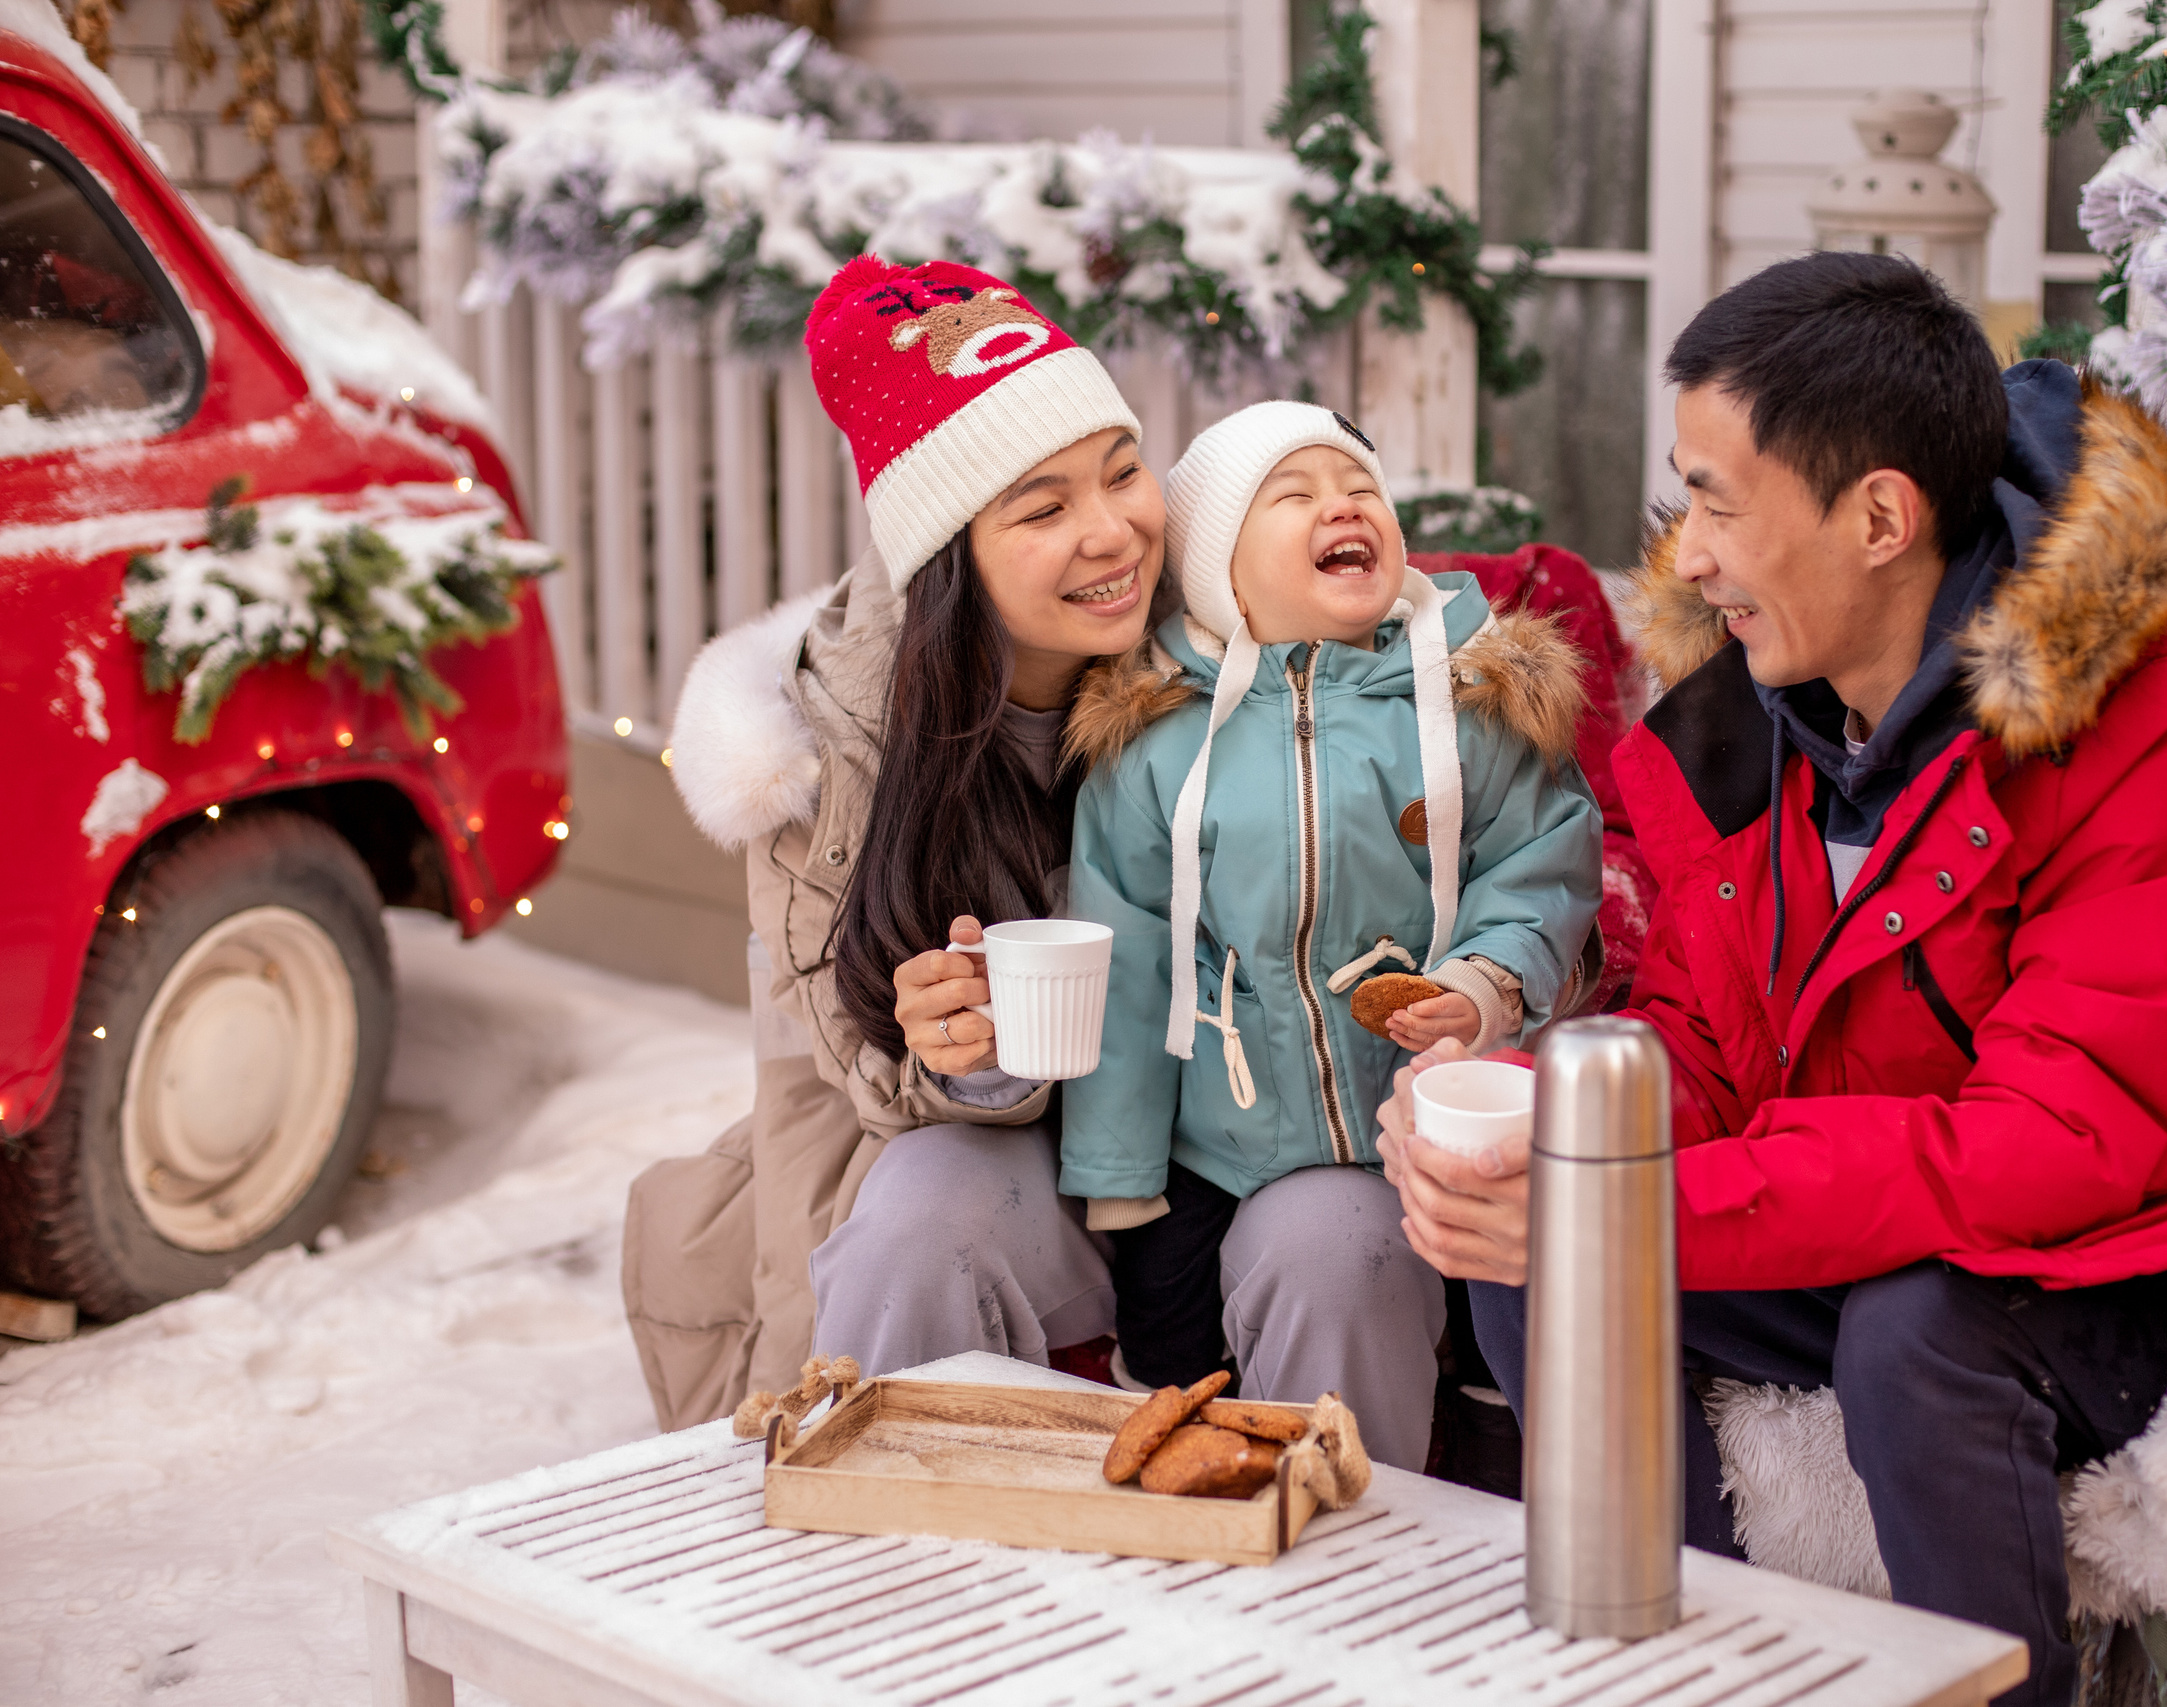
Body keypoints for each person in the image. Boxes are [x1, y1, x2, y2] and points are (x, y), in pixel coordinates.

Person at [1375, 252, 2167, 1705]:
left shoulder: (2155, 734)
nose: (1687, 558)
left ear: (1880, 518)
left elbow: (2062, 1143)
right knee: (1549, 1249)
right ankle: (1683, 1670)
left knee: (1914, 1336)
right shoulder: (1758, 726)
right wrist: (1544, 1124)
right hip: (1926, 1201)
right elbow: (1708, 1040)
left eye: (1718, 503)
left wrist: (1637, 1192)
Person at [623, 254, 1163, 1429]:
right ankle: (882, 1524)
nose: (1113, 531)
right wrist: (963, 1053)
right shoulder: (827, 753)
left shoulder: (1211, 645)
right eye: (1044, 509)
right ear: (949, 554)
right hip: (986, 1157)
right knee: (925, 1221)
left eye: (1124, 472)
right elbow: (861, 1074)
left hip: (1212, 1127)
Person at [1058, 403, 1604, 1453]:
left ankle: (1467, 1475)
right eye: (1294, 494)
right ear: (1222, 571)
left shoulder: (1470, 703)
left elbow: (1543, 865)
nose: (1342, 506)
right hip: (1213, 1141)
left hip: (1421, 1125)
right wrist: (1119, 1179)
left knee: (1492, 1346)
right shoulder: (1158, 742)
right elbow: (1125, 967)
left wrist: (1483, 984)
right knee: (1166, 1359)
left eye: (1360, 488)